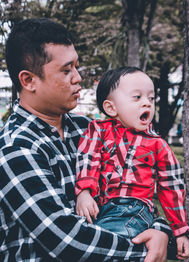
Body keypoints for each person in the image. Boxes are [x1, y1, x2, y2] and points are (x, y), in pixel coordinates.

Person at [0, 18, 172, 262]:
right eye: (66, 70)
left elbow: (134, 191)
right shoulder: (16, 148)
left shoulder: (90, 130)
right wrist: (145, 251)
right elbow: (64, 240)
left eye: (77, 66)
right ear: (29, 80)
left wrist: (160, 230)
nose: (78, 77)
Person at [75, 67, 189, 261]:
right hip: (99, 207)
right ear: (111, 108)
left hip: (133, 208)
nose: (147, 103)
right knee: (89, 243)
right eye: (137, 97)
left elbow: (171, 187)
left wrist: (180, 230)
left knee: (108, 245)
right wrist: (84, 192)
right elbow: (87, 158)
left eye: (151, 98)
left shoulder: (158, 145)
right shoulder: (98, 131)